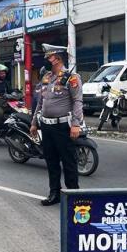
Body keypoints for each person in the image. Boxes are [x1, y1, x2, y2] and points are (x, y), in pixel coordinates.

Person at [30, 44, 84, 206]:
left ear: (58, 58)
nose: (46, 60)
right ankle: (54, 193)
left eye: (49, 57)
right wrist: (34, 122)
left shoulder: (71, 77)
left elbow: (77, 101)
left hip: (63, 127)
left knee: (68, 162)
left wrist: (76, 124)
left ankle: (73, 195)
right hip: (46, 126)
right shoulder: (46, 77)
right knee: (51, 161)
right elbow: (41, 101)